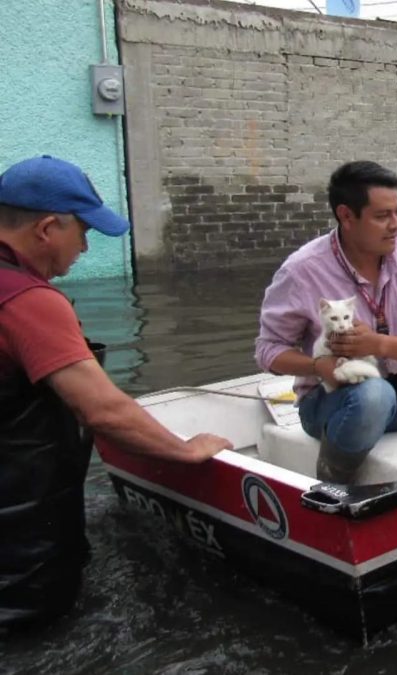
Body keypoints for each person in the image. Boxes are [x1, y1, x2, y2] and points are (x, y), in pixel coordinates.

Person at [0, 156, 232, 632]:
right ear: (47, 228)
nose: (85, 246)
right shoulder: (28, 301)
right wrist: (184, 450)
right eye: (83, 230)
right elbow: (103, 410)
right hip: (20, 554)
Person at [255, 160, 397, 484]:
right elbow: (268, 351)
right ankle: (333, 479)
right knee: (374, 396)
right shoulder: (301, 271)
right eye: (382, 216)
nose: (395, 225)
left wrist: (379, 345)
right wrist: (320, 366)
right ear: (346, 216)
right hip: (333, 400)